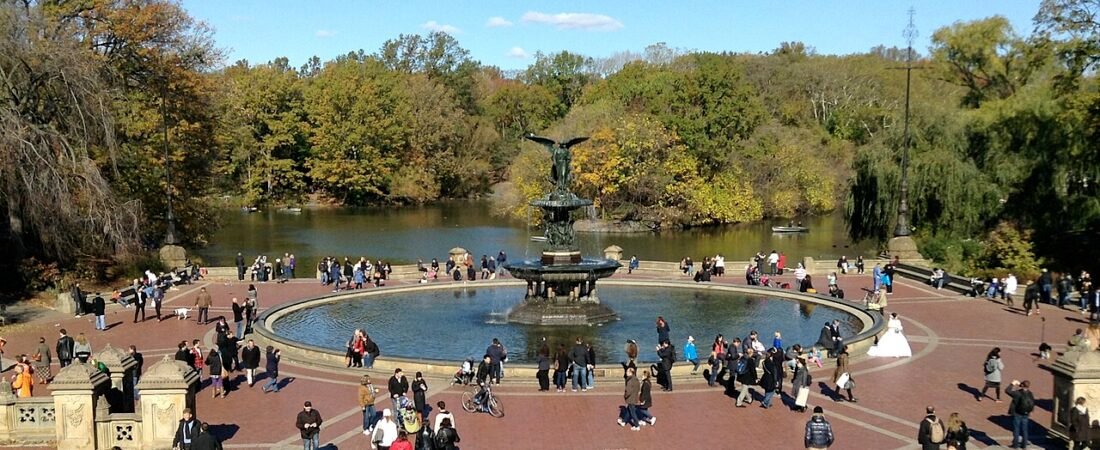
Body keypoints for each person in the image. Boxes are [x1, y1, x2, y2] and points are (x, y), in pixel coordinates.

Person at [1006, 380, 1035, 449]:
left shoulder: (1018, 393)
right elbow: (1032, 403)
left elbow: (1007, 390)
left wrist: (1012, 383)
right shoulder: (1030, 393)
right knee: (1025, 429)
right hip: (1026, 413)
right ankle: (1024, 445)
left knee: (1016, 429)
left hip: (1017, 412)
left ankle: (1015, 445)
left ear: (1022, 385)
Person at [618, 366, 641, 430]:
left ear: (630, 372)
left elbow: (628, 391)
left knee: (632, 412)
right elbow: (638, 388)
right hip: (634, 397)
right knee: (628, 410)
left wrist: (625, 396)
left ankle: (637, 425)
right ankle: (624, 422)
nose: (626, 372)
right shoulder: (636, 379)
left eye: (627, 371)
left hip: (631, 399)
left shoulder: (630, 381)